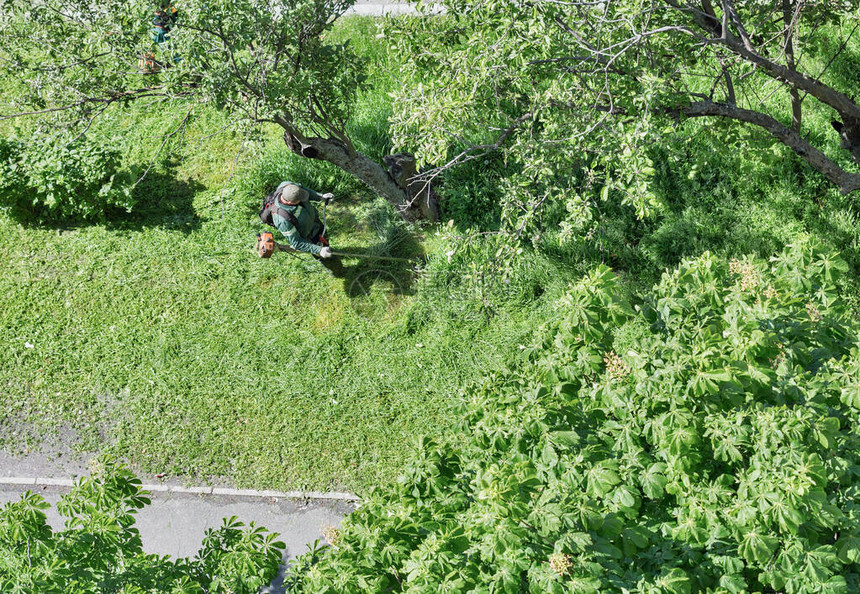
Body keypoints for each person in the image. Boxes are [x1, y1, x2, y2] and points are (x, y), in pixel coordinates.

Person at [269, 181, 335, 259]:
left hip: (316, 223)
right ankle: (324, 260)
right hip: (309, 235)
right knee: (321, 252)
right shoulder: (283, 220)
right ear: (290, 202)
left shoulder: (289, 186)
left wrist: (321, 197)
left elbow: (304, 192)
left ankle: (328, 249)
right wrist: (319, 250)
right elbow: (296, 242)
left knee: (326, 241)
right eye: (300, 199)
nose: (303, 199)